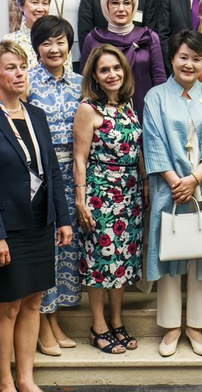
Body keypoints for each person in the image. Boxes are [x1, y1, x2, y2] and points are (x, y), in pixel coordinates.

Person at [0, 41, 72, 392]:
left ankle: (26, 379)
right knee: (8, 306)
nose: (20, 72)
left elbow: (51, 170)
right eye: (10, 67)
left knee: (34, 301)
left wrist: (64, 218)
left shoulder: (35, 115)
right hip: (7, 227)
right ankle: (5, 382)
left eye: (23, 66)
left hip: (40, 221)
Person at [143, 29, 202, 358]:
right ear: (171, 59)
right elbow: (152, 141)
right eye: (183, 57)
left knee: (200, 252)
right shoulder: (155, 97)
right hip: (169, 187)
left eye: (197, 59)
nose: (189, 64)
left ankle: (196, 325)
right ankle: (169, 326)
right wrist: (175, 180)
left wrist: (195, 178)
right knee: (170, 251)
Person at [73, 44, 145, 355]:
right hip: (101, 194)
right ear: (95, 76)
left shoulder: (128, 105)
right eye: (104, 70)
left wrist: (144, 186)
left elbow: (138, 150)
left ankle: (117, 321)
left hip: (130, 193)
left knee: (122, 262)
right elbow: (79, 158)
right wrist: (80, 199)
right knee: (100, 261)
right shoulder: (88, 109)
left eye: (116, 68)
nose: (112, 74)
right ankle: (98, 325)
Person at [26, 16, 83, 356]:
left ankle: (55, 318)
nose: (54, 48)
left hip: (72, 172)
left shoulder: (79, 83)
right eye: (46, 42)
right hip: (39, 176)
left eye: (60, 41)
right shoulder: (27, 82)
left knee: (66, 250)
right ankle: (41, 324)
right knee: (44, 249)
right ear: (37, 48)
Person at [80, 0, 167, 124]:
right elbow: (86, 83)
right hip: (104, 118)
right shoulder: (94, 38)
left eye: (127, 3)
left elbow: (159, 81)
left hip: (146, 113)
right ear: (105, 6)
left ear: (134, 6)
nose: (121, 8)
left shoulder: (149, 37)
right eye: (115, 3)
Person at [2, 0, 52, 68]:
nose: (40, 9)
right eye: (35, 2)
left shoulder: (59, 39)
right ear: (21, 6)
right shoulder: (10, 41)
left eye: (45, 3)